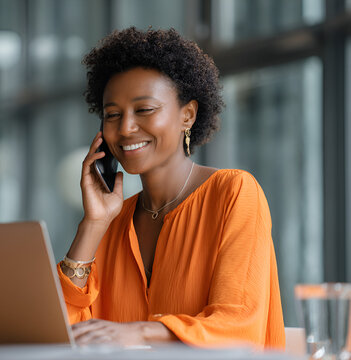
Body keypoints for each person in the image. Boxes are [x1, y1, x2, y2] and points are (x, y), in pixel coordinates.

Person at [57, 27, 285, 349]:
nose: (125, 128)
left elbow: (238, 325)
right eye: (112, 115)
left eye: (144, 110)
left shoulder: (234, 193)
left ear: (187, 115)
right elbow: (60, 336)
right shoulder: (111, 223)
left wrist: (140, 332)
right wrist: (93, 225)